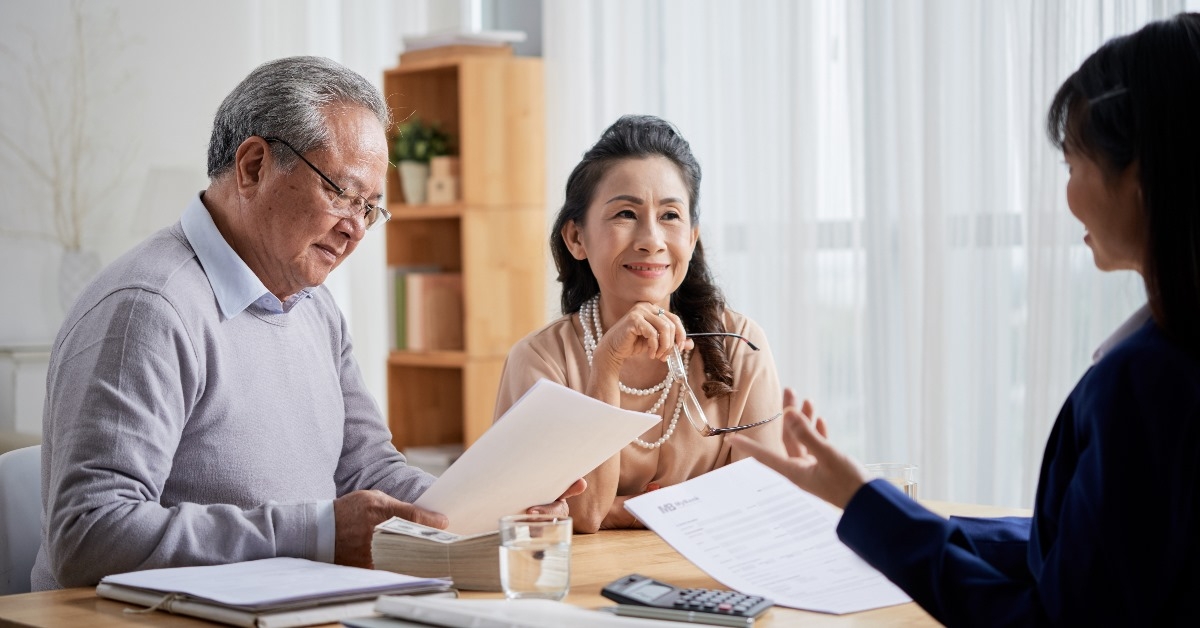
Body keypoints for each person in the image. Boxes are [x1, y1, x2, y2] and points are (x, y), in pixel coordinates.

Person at [31, 56, 579, 591]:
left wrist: (490, 508)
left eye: (370, 208)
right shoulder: (149, 308)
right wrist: (315, 532)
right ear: (253, 167)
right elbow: (89, 536)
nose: (355, 231)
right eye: (341, 193)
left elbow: (367, 469)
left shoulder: (313, 305)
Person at [734, 13, 1200, 626]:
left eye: (1071, 166)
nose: (1066, 197)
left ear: (1139, 177)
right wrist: (870, 506)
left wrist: (861, 504)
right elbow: (1095, 549)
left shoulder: (1144, 381)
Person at [493, 115, 785, 533]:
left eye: (670, 215)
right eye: (626, 213)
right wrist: (607, 364)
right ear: (576, 238)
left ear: (692, 237)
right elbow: (582, 515)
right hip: (582, 587)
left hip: (710, 581)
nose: (651, 239)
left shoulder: (741, 346)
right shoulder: (540, 361)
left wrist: (626, 509)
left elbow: (760, 499)